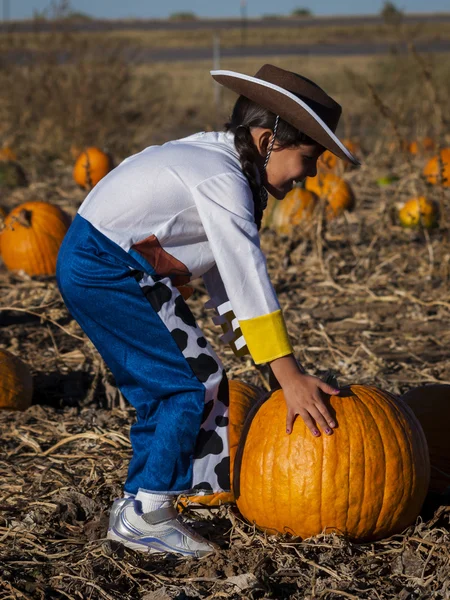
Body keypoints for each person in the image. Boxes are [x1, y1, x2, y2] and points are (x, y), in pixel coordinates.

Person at [56, 64, 359, 558]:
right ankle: (149, 513)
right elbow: (247, 281)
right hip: (106, 267)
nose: (313, 173)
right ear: (268, 141)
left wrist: (269, 367)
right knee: (188, 384)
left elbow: (224, 284)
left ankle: (140, 500)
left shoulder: (221, 163)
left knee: (181, 380)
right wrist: (290, 376)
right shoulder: (223, 178)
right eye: (310, 157)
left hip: (109, 263)